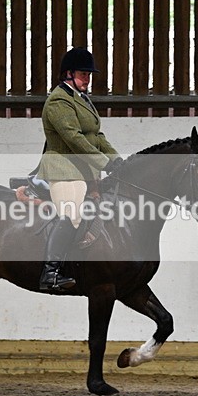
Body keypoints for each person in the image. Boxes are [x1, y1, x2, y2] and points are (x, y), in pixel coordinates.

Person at [36, 47, 124, 291]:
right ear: (68, 73)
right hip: (63, 167)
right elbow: (74, 138)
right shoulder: (58, 101)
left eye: (89, 74)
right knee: (72, 214)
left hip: (84, 170)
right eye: (83, 74)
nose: (88, 79)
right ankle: (50, 272)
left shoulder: (82, 98)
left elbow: (97, 136)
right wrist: (104, 163)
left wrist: (117, 160)